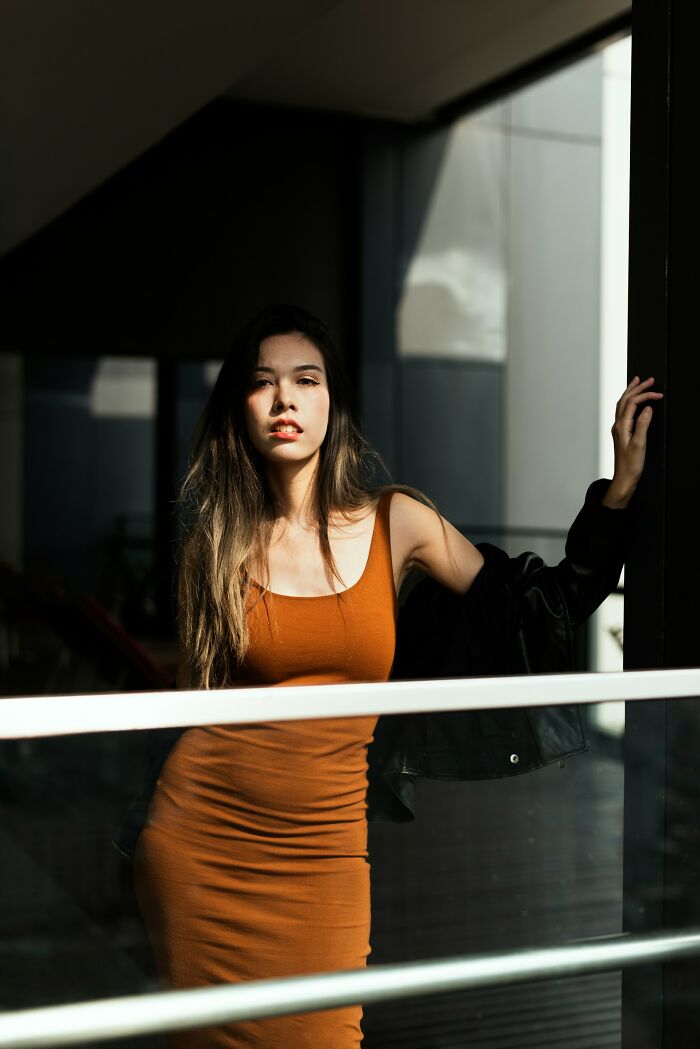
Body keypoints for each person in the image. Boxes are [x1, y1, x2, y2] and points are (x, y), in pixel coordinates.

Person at [127, 304, 662, 1049]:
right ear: (240, 409)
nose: (284, 399)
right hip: (202, 845)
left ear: (333, 403)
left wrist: (619, 490)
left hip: (327, 853)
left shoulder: (395, 521)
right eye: (263, 382)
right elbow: (190, 704)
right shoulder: (216, 540)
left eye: (305, 379)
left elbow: (538, 606)